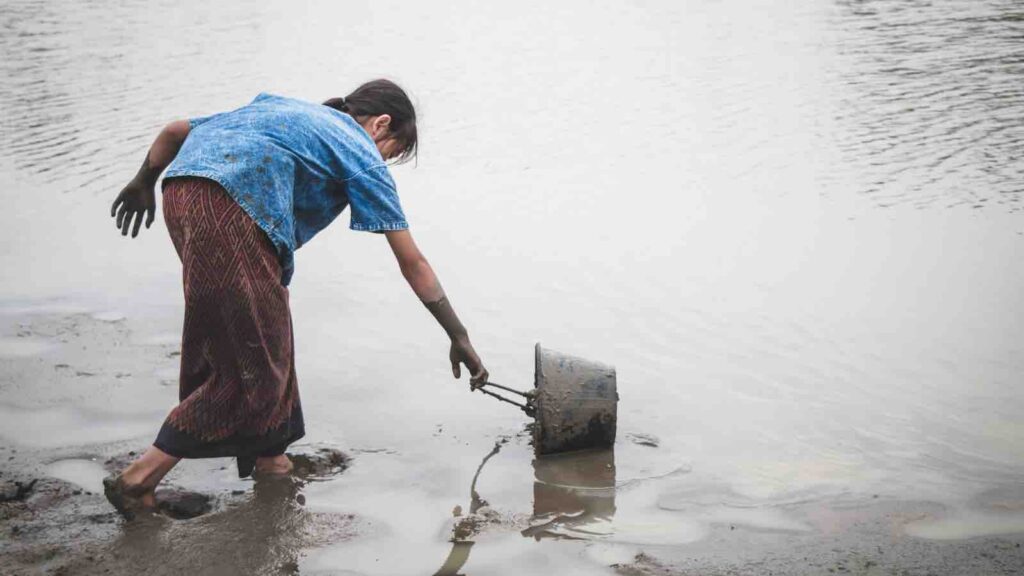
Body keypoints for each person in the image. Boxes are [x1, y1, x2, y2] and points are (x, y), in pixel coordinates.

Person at [103, 79, 488, 519]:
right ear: (381, 125)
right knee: (252, 364)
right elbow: (412, 262)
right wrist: (458, 334)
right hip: (234, 211)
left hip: (183, 195)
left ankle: (272, 460)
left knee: (263, 338)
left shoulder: (281, 110)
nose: (384, 162)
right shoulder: (359, 149)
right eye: (392, 152)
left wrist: (142, 182)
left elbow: (175, 131)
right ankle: (139, 479)